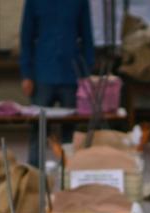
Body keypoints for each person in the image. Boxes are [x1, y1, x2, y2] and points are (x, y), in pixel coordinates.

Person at [20, 0, 95, 168]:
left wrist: (86, 74)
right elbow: (26, 38)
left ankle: (68, 173)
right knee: (38, 128)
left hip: (71, 74)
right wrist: (27, 74)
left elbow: (87, 37)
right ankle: (34, 174)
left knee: (70, 130)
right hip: (42, 74)